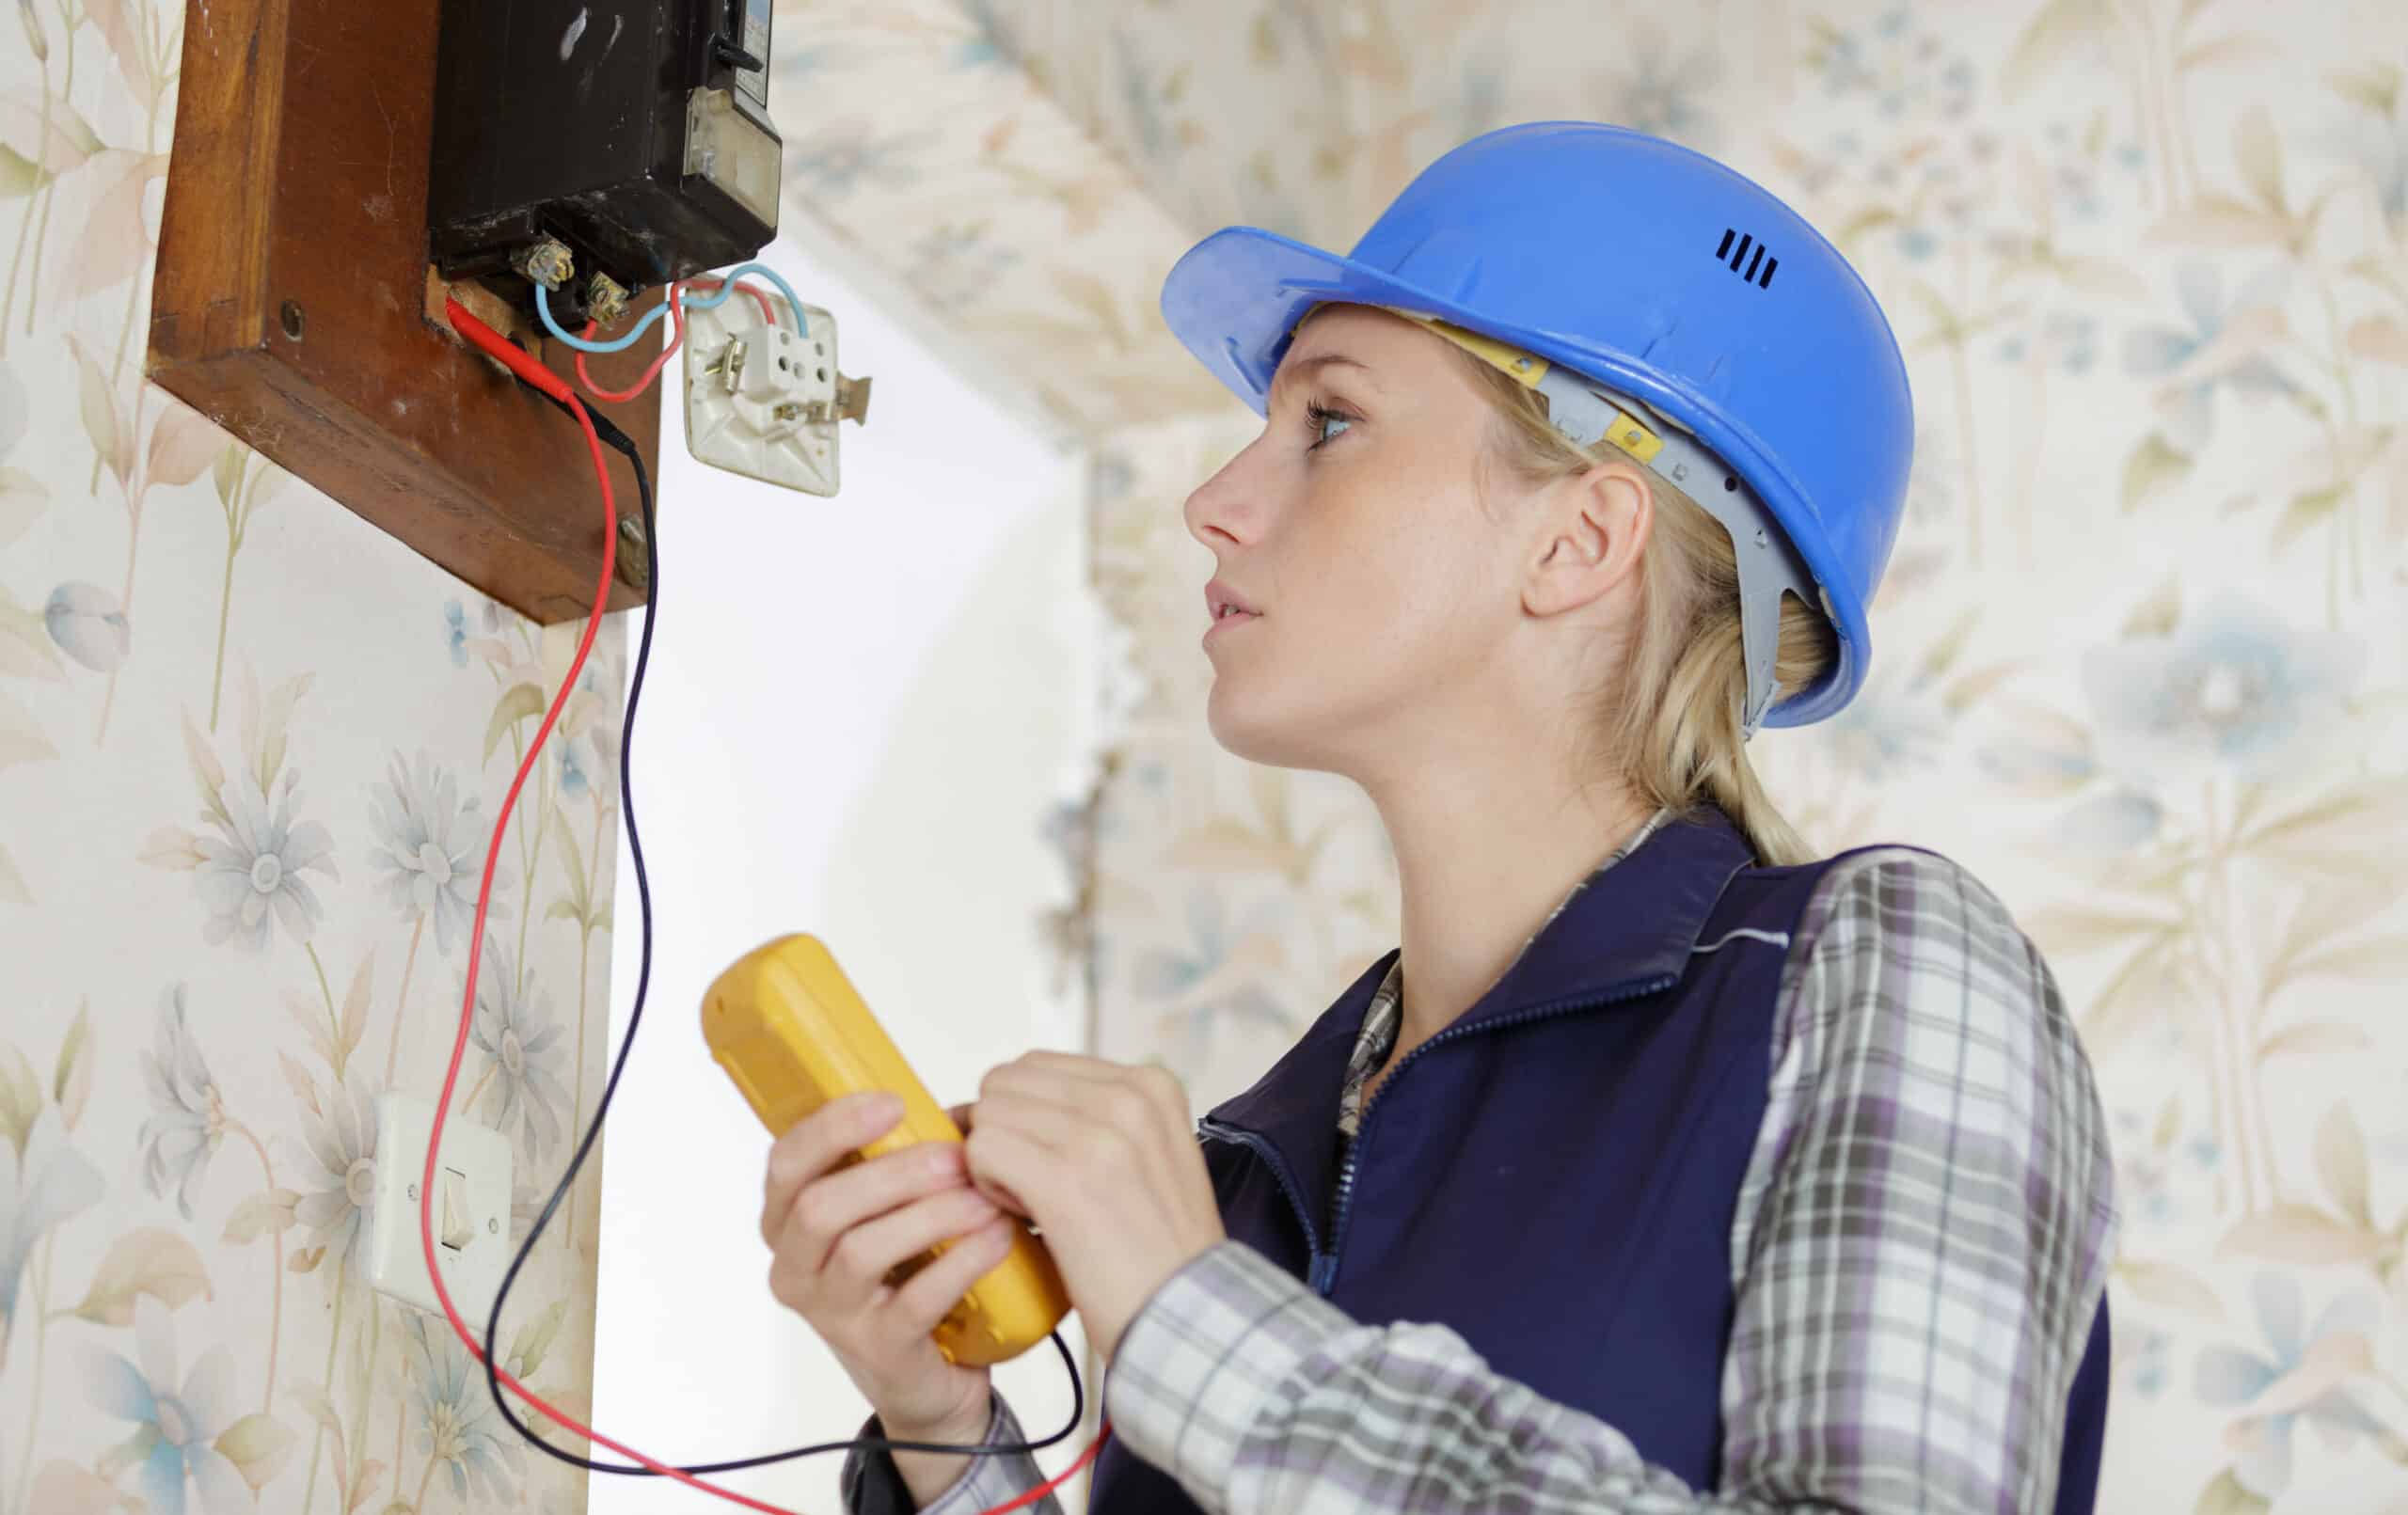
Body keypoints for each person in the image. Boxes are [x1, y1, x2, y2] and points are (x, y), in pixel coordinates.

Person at [757, 121, 2119, 1515]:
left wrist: (1195, 1323)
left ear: (1578, 541)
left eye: (1328, 421)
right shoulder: (1248, 1167)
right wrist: (942, 1438)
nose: (1212, 503)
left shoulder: (1877, 971)